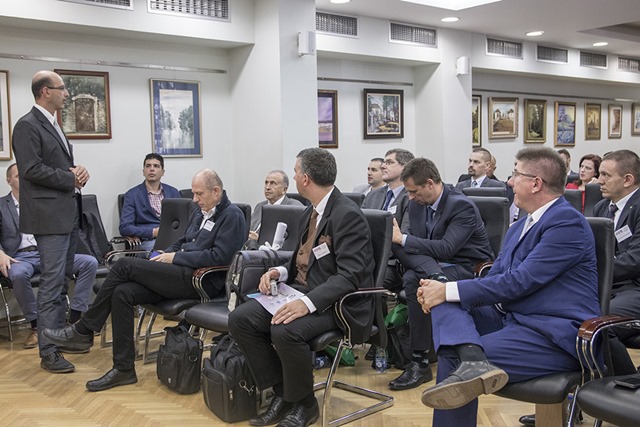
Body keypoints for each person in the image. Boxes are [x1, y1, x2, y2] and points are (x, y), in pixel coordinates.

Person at [418, 147, 599, 427]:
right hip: (512, 320)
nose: (510, 181)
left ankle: (471, 360)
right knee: (444, 300)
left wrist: (449, 289)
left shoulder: (567, 222)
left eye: (515, 174)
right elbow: (495, 278)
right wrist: (442, 290)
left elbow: (520, 281)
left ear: (536, 183)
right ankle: (474, 360)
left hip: (551, 336)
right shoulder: (519, 226)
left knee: (452, 351)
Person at [42, 169, 247, 392]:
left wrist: (175, 258)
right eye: (194, 193)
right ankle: (123, 369)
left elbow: (220, 257)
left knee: (123, 265)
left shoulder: (232, 216)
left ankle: (84, 329)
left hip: (201, 282)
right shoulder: (201, 211)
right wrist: (163, 255)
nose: (195, 199)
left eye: (199, 194)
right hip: (178, 273)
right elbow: (182, 241)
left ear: (216, 191)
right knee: (123, 293)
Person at [229, 148, 374, 427]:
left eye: (295, 172)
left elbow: (350, 276)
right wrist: (279, 272)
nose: (294, 177)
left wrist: (305, 304)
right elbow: (302, 258)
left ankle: (306, 405)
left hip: (338, 303)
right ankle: (284, 393)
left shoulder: (347, 215)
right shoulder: (309, 211)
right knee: (240, 319)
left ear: (305, 178)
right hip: (301, 291)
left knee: (285, 329)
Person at [388, 158, 493, 391]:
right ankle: (437, 278)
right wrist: (403, 241)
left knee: (412, 278)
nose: (410, 197)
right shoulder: (416, 204)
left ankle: (420, 361)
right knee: (398, 248)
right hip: (435, 264)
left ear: (429, 183)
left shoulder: (461, 206)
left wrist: (403, 239)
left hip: (467, 266)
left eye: (414, 191)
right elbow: (411, 245)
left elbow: (446, 248)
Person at [12, 70, 90, 373]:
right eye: (62, 88)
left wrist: (77, 172)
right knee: (51, 284)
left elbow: (58, 167)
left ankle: (58, 340)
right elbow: (31, 170)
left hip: (66, 214)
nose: (67, 93)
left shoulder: (54, 124)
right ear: (45, 91)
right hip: (49, 218)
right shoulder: (27, 125)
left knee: (61, 285)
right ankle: (49, 352)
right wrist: (69, 178)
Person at [0, 163, 98, 349]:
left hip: (49, 252)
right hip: (19, 257)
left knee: (89, 263)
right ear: (8, 181)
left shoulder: (42, 202)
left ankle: (75, 319)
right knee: (18, 274)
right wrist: (0, 253)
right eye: (19, 176)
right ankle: (36, 326)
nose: (24, 180)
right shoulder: (2, 205)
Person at [594, 150, 640, 373]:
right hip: (610, 285)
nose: (598, 180)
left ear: (627, 179)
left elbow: (635, 260)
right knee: (565, 312)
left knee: (599, 325)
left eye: (605, 175)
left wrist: (596, 273)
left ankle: (625, 383)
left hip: (635, 287)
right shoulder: (602, 208)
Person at [119, 153, 181, 251]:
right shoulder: (132, 195)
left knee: (192, 248)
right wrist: (153, 232)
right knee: (158, 252)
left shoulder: (173, 192)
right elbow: (125, 227)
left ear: (163, 172)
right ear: (143, 172)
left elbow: (183, 220)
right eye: (148, 166)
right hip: (149, 241)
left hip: (173, 238)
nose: (151, 169)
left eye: (156, 166)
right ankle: (162, 258)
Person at [362, 149, 414, 240]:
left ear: (405, 167)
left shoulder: (412, 197)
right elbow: (359, 225)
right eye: (384, 163)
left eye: (389, 162)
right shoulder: (372, 195)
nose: (383, 166)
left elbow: (405, 234)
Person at [248, 170, 303, 241]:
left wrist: (259, 240)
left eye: (273, 183)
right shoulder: (260, 206)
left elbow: (292, 241)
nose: (267, 187)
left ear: (284, 189)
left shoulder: (294, 208)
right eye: (266, 183)